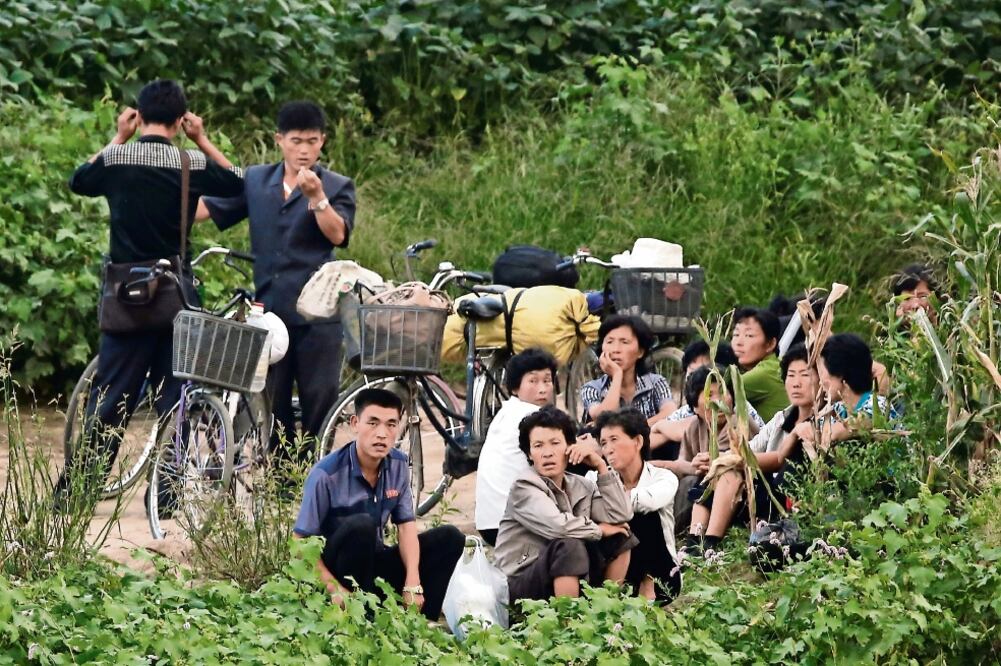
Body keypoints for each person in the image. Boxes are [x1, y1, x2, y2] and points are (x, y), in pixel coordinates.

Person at [59, 80, 243, 500]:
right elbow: (237, 182)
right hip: (174, 299)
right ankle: (165, 495)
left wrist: (118, 136)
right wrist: (203, 139)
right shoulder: (191, 162)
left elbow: (79, 180)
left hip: (125, 299)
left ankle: (79, 491)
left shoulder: (117, 159)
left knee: (109, 398)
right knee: (176, 399)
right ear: (180, 121)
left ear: (138, 116)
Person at [201, 101, 356, 467]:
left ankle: (315, 473)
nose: (304, 150)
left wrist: (317, 198)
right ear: (279, 140)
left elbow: (338, 235)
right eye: (296, 141)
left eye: (312, 141)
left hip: (319, 315)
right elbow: (208, 207)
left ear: (322, 142)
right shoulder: (258, 180)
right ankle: (283, 481)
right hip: (270, 313)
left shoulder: (336, 186)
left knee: (320, 399)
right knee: (274, 402)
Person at [293, 388, 465, 619]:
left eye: (391, 424)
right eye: (373, 423)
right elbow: (300, 544)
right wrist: (335, 590)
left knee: (450, 538)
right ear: (355, 424)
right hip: (337, 574)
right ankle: (362, 618)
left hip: (373, 564)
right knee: (361, 526)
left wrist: (413, 582)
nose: (382, 434)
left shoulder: (398, 464)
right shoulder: (326, 474)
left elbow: (406, 527)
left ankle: (420, 622)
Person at [494, 406, 636, 603]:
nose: (547, 453)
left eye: (555, 443)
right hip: (521, 582)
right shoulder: (524, 486)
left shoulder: (581, 485)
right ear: (529, 454)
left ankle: (607, 606)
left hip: (565, 571)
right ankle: (567, 619)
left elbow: (621, 515)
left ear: (570, 447)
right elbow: (559, 527)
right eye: (538, 446)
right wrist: (598, 530)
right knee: (569, 545)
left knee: (620, 535)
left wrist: (601, 466)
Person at [685, 344, 818, 551]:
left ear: (822, 379)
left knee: (731, 467)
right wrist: (723, 458)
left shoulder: (822, 422)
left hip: (788, 499)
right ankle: (695, 542)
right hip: (761, 494)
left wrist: (732, 459)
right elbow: (749, 449)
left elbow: (775, 460)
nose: (796, 383)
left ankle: (710, 543)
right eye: (791, 375)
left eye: (805, 375)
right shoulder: (781, 418)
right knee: (722, 467)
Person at [649, 366, 759, 547]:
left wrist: (697, 466)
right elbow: (682, 463)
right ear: (694, 407)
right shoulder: (694, 426)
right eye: (709, 394)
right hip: (704, 494)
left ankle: (699, 539)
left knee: (694, 482)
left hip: (741, 497)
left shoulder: (738, 423)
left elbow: (720, 465)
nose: (718, 401)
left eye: (723, 392)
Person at [590, 409, 681, 604]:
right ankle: (611, 594)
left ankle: (646, 587)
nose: (608, 449)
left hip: (662, 577)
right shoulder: (596, 478)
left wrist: (612, 503)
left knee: (641, 516)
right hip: (615, 568)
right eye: (603, 443)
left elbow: (647, 501)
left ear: (638, 441)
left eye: (614, 439)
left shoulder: (663, 477)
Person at [475, 348, 559, 546]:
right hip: (514, 524)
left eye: (547, 380)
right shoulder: (531, 416)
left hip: (488, 523)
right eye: (533, 381)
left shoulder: (506, 412)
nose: (542, 389)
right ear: (514, 388)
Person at [651, 340, 766, 453]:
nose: (698, 380)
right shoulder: (689, 409)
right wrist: (662, 427)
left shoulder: (740, 410)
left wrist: (668, 427)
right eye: (692, 374)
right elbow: (651, 439)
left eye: (704, 373)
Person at [580, 315, 676, 426]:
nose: (615, 349)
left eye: (624, 342)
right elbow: (604, 420)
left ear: (640, 352)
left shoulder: (655, 383)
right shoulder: (592, 388)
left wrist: (632, 431)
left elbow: (670, 413)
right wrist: (617, 375)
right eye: (610, 342)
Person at [731, 307, 788, 421]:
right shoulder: (774, 365)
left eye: (749, 335)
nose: (738, 343)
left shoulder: (765, 373)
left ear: (770, 344)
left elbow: (714, 393)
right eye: (736, 335)